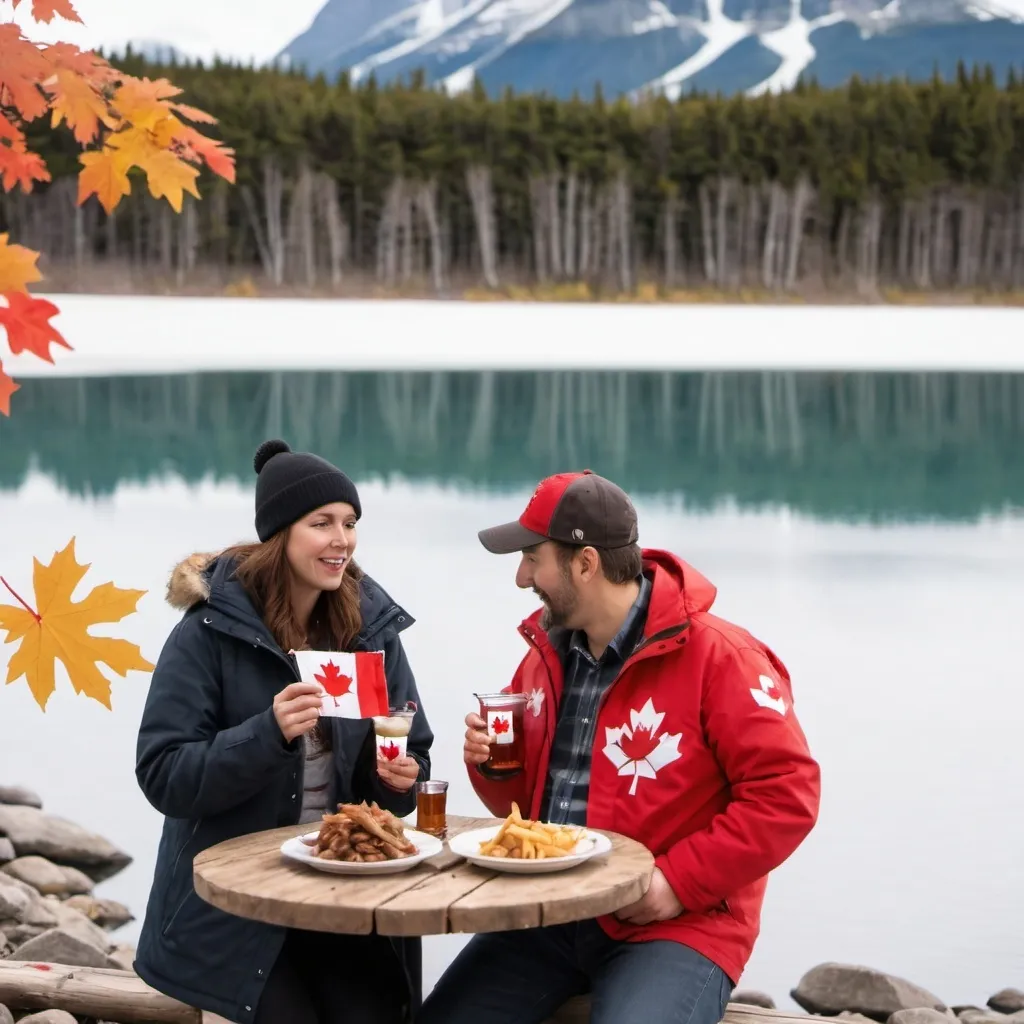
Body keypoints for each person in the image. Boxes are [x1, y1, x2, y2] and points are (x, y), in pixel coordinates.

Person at [417, 469, 820, 1024]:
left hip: (675, 925)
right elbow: (526, 806)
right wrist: (490, 765)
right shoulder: (543, 658)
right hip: (548, 915)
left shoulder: (722, 656)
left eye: (533, 558)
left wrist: (677, 883)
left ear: (585, 565)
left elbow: (787, 797)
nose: (520, 577)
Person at [133, 439, 433, 1024]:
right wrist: (266, 733)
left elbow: (410, 751)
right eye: (321, 523)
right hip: (234, 908)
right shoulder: (208, 634)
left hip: (345, 890)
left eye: (349, 523)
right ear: (280, 536)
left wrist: (397, 776)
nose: (341, 540)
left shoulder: (370, 630)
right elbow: (163, 774)